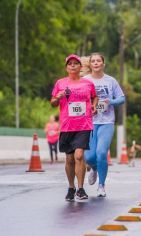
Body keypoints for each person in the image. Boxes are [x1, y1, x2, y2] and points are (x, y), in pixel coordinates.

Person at [51, 54, 98, 201]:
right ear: (66, 68)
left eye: (75, 63)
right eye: (70, 64)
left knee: (79, 156)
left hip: (84, 125)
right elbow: (53, 102)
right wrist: (57, 98)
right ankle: (71, 188)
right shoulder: (60, 83)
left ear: (80, 67)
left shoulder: (88, 84)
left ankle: (81, 189)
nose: (73, 65)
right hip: (66, 126)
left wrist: (94, 105)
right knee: (70, 159)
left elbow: (94, 96)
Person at [84, 53, 125, 197]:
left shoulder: (111, 81)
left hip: (106, 122)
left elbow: (122, 98)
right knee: (89, 157)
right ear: (90, 65)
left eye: (98, 61)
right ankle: (94, 169)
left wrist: (111, 102)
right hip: (89, 122)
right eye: (93, 61)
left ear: (103, 64)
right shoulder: (85, 80)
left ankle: (101, 185)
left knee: (101, 153)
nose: (96, 63)